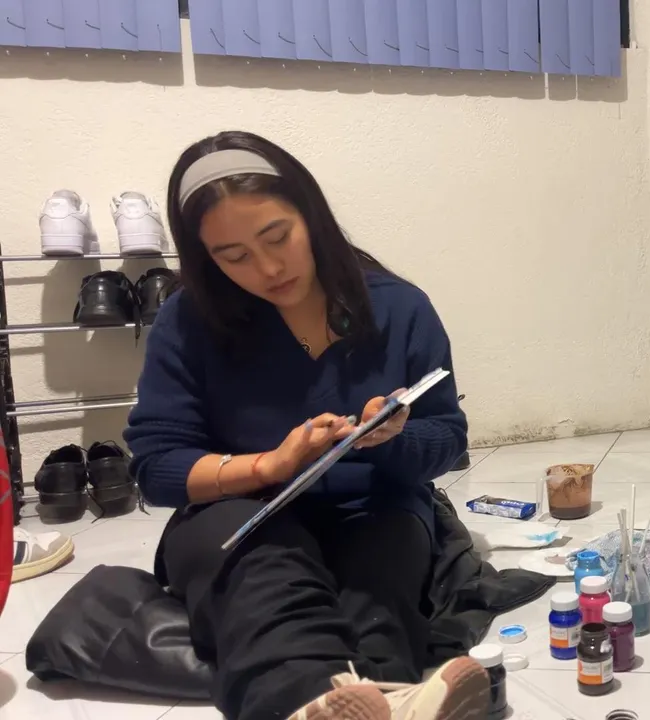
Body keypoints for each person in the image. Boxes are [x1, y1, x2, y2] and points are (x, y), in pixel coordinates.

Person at [123, 131, 489, 720]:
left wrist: (391, 436)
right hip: (238, 514)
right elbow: (158, 468)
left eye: (278, 237)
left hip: (375, 507)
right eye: (234, 256)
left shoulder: (398, 308)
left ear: (311, 215)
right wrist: (271, 466)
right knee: (266, 577)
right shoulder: (187, 322)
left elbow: (447, 441)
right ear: (205, 257)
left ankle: (374, 699)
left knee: (380, 590)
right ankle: (318, 701)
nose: (268, 268)